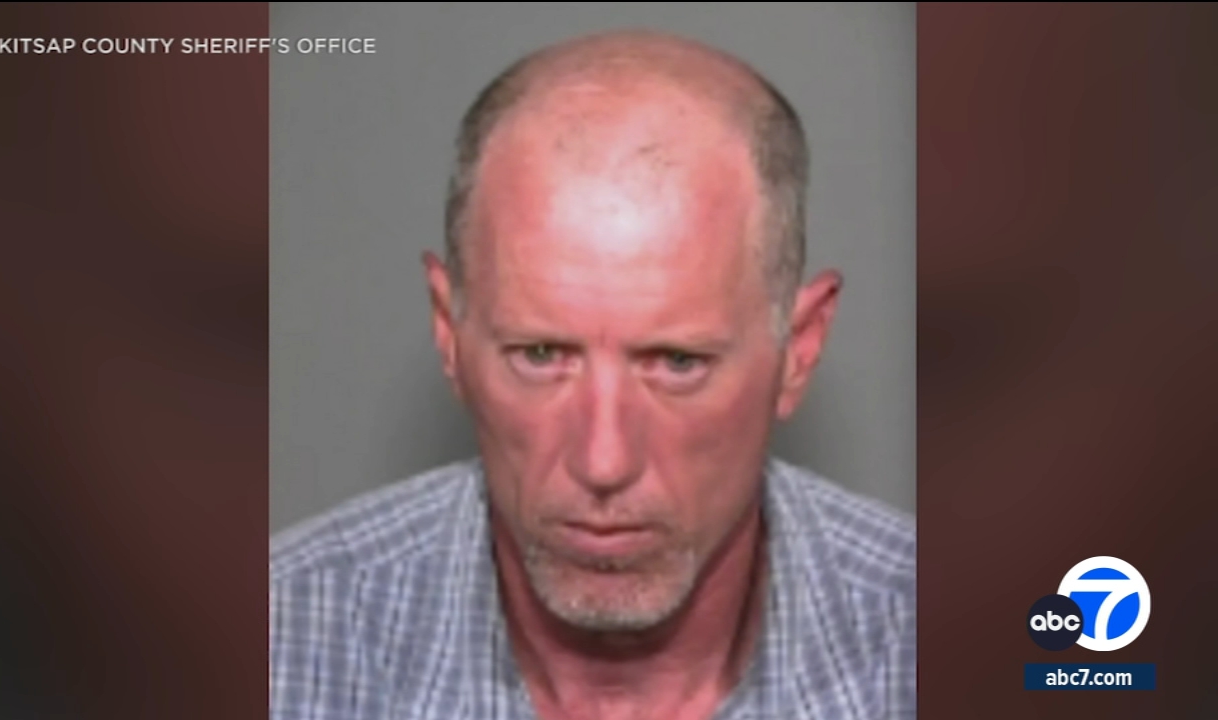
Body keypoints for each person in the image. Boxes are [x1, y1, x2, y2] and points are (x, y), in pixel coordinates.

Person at [270, 29, 915, 720]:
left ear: (800, 348)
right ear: (449, 333)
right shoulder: (284, 644)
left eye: (678, 363)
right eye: (540, 355)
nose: (603, 461)